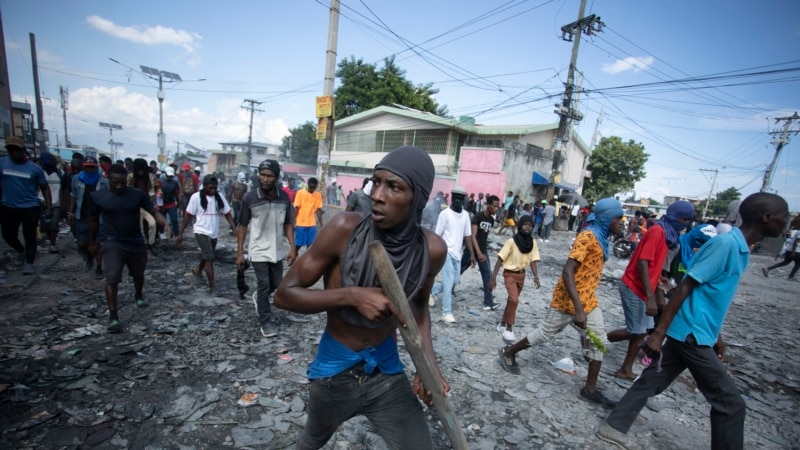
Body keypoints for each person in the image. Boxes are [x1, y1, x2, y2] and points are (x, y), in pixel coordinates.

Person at [273, 146, 449, 449]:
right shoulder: (344, 229)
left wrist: (427, 366)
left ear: (418, 197)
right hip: (334, 371)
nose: (377, 195)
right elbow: (283, 295)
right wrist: (350, 296)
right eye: (376, 182)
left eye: (394, 187)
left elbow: (418, 305)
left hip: (385, 368)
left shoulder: (432, 250)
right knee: (311, 440)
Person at [597, 193, 789, 450]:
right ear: (766, 218)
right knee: (730, 404)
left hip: (696, 332)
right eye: (783, 217)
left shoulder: (739, 248)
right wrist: (657, 333)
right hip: (691, 333)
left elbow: (711, 298)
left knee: (652, 380)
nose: (786, 222)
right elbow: (685, 287)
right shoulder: (726, 245)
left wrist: (716, 336)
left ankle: (614, 425)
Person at [499, 198, 624, 410]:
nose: (621, 222)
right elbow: (567, 271)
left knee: (599, 340)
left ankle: (590, 390)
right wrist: (578, 309)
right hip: (569, 300)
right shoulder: (587, 236)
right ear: (606, 218)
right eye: (618, 218)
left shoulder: (602, 238)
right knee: (545, 333)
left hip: (589, 301)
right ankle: (509, 352)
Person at [607, 201, 694, 381]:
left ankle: (626, 368)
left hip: (644, 288)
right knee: (635, 330)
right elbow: (642, 263)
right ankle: (595, 340)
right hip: (633, 286)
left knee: (642, 330)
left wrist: (660, 288)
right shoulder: (658, 232)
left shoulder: (669, 237)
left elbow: (654, 267)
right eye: (682, 219)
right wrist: (650, 297)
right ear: (673, 216)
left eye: (688, 220)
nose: (685, 223)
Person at [86, 164, 169, 333]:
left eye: (123, 182)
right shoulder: (97, 196)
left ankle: (138, 294)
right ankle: (113, 316)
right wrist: (92, 242)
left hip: (136, 241)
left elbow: (153, 210)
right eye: (116, 182)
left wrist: (164, 223)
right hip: (113, 242)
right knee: (112, 278)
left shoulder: (137, 194)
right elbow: (93, 221)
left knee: (138, 274)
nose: (120, 186)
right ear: (107, 177)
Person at [236, 159, 296, 337]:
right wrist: (240, 252)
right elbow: (243, 226)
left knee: (276, 284)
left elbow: (288, 224)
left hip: (276, 249)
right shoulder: (250, 198)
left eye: (269, 176)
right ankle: (265, 321)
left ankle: (259, 297)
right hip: (258, 249)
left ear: (276, 178)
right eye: (262, 175)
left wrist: (293, 248)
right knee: (264, 283)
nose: (265, 179)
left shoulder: (284, 198)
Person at [0, 136, 53, 275]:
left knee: (29, 235)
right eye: (11, 149)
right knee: (8, 234)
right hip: (8, 205)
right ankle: (21, 251)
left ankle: (29, 262)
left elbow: (45, 188)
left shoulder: (34, 169)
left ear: (23, 150)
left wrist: (48, 206)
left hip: (30, 206)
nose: (14, 152)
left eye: (17, 149)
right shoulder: (2, 163)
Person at [176, 174, 235, 294]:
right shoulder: (196, 197)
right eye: (209, 188)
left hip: (213, 232)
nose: (212, 191)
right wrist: (180, 234)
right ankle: (212, 286)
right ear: (204, 186)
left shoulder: (219, 197)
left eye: (214, 188)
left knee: (208, 254)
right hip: (200, 231)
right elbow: (188, 215)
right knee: (209, 258)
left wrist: (234, 227)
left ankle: (198, 270)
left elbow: (227, 213)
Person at [489, 215, 541, 342]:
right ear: (520, 226)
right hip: (510, 274)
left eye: (530, 225)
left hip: (521, 275)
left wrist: (536, 276)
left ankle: (502, 323)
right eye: (525, 224)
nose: (527, 227)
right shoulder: (511, 242)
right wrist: (493, 278)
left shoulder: (532, 243)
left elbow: (533, 260)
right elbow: (500, 259)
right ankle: (509, 328)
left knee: (511, 301)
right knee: (514, 300)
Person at [429, 185, 475, 323]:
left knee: (455, 281)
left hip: (458, 253)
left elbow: (468, 236)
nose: (458, 201)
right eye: (456, 198)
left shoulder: (466, 215)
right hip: (446, 252)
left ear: (464, 200)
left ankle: (431, 291)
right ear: (452, 198)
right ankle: (446, 313)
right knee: (449, 283)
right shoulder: (445, 214)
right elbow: (437, 235)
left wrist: (472, 254)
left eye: (461, 199)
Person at [69, 156, 109, 277]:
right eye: (88, 167)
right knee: (82, 243)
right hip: (81, 215)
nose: (90, 169)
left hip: (98, 218)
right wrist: (70, 212)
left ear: (96, 167)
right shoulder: (76, 179)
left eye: (92, 167)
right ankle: (88, 255)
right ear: (84, 167)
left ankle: (98, 268)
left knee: (97, 244)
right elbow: (73, 196)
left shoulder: (103, 182)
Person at [472, 195, 501, 310]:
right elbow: (473, 237)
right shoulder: (478, 217)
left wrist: (482, 252)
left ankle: (488, 302)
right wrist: (478, 253)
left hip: (483, 250)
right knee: (458, 272)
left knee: (487, 275)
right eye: (494, 206)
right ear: (488, 205)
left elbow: (484, 237)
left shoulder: (491, 220)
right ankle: (441, 291)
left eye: (497, 206)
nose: (496, 208)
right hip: (472, 251)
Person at [128, 158, 161, 252]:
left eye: (142, 169)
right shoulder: (131, 176)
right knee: (136, 226)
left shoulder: (151, 177)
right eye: (139, 170)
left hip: (148, 204)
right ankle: (137, 245)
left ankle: (151, 243)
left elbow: (157, 188)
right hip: (134, 205)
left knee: (152, 224)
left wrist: (159, 193)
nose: (140, 172)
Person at [38, 152, 63, 253]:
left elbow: (63, 189)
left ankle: (52, 244)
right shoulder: (39, 172)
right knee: (45, 226)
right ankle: (50, 240)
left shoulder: (59, 173)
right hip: (41, 203)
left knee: (54, 225)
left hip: (56, 203)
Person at [762, 215, 800, 279]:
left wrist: (781, 252)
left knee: (786, 262)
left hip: (789, 249)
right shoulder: (797, 232)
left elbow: (786, 240)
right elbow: (795, 242)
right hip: (796, 250)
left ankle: (768, 269)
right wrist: (793, 251)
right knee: (798, 264)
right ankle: (790, 277)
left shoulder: (790, 231)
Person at [293, 177, 323, 250]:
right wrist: (293, 220)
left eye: (314, 187)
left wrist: (321, 223)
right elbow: (296, 208)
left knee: (310, 246)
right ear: (308, 184)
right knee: (298, 244)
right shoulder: (300, 193)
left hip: (312, 224)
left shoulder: (318, 195)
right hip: (300, 223)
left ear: (316, 186)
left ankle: (307, 261)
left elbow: (319, 210)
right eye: (311, 187)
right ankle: (294, 259)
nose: (312, 189)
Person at [159, 166, 181, 237]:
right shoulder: (160, 181)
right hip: (162, 204)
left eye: (171, 176)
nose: (169, 177)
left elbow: (177, 194)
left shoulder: (175, 182)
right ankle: (162, 233)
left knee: (174, 219)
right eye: (168, 176)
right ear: (165, 173)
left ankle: (177, 234)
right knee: (161, 220)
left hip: (171, 203)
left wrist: (179, 203)